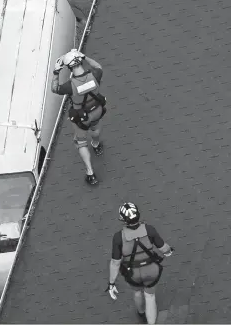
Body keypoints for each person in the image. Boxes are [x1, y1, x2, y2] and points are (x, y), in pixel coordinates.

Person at [106, 202, 174, 324]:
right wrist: (169, 251)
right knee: (150, 296)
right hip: (151, 271)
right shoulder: (149, 229)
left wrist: (111, 283)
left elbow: (115, 263)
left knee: (137, 292)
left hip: (133, 273)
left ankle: (141, 313)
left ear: (122, 219)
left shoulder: (118, 237)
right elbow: (164, 248)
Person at [51, 49, 107, 185]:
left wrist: (56, 72)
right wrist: (85, 56)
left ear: (69, 67)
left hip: (82, 118)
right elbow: (98, 66)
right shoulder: (95, 74)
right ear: (80, 61)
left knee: (81, 142)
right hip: (97, 111)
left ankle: (90, 173)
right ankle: (97, 145)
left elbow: (55, 88)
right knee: (95, 129)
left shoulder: (70, 86)